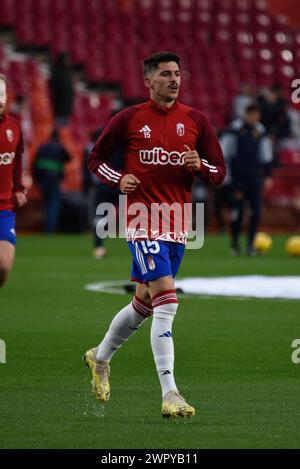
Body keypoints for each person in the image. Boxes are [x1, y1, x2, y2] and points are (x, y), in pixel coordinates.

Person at [84, 52, 226, 418]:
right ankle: (170, 393)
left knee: (145, 303)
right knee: (168, 301)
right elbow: (95, 158)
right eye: (166, 74)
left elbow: (219, 171)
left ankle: (99, 358)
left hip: (179, 224)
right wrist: (119, 179)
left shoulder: (196, 120)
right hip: (142, 220)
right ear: (149, 81)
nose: (174, 79)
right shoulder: (129, 119)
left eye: (177, 73)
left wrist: (201, 166)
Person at [220, 104, 273, 255]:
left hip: (255, 178)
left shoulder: (260, 130)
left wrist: (268, 175)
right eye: (252, 114)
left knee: (255, 211)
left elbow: (266, 154)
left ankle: (251, 245)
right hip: (238, 178)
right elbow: (224, 153)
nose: (254, 118)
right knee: (237, 211)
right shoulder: (235, 130)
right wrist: (225, 175)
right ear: (246, 114)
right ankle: (235, 244)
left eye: (257, 115)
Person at [0, 73, 27, 288]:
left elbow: (17, 158)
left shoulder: (14, 127)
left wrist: (18, 187)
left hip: (4, 207)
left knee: (3, 267)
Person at [83, 128, 123, 259]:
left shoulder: (100, 148)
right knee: (135, 216)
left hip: (105, 185)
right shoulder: (123, 146)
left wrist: (86, 186)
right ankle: (144, 247)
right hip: (121, 185)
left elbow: (91, 168)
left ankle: (98, 247)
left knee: (99, 217)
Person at [33, 130, 70, 233]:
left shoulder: (42, 147)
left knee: (46, 205)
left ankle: (46, 228)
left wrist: (37, 181)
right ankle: (50, 230)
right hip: (54, 180)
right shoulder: (59, 147)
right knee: (53, 205)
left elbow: (35, 165)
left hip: (43, 180)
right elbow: (68, 158)